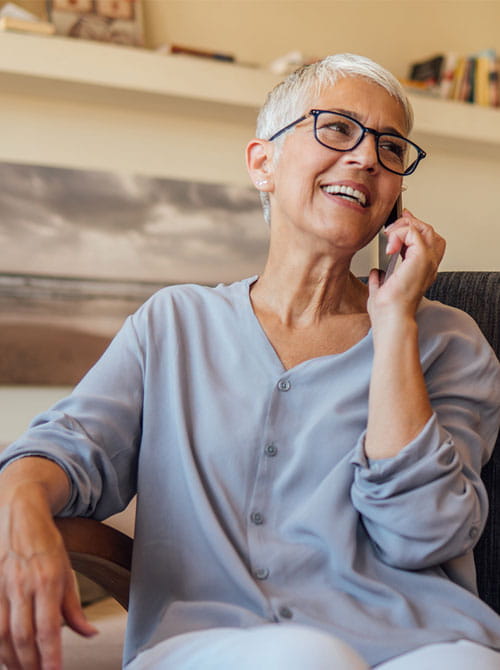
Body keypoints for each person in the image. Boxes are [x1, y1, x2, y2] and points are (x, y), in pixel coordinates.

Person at [0, 53, 499, 670]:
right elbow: (68, 451)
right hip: (212, 640)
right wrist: (19, 510)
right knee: (302, 657)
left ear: (397, 191)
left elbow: (424, 532)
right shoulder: (174, 324)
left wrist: (395, 325)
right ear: (263, 163)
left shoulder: (449, 340)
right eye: (338, 128)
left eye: (391, 147)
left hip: (422, 639)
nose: (368, 156)